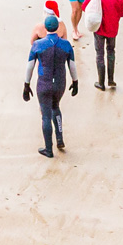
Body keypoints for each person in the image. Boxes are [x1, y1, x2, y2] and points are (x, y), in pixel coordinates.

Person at [24, 14, 78, 157]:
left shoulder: (38, 45)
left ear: (45, 27)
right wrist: (75, 81)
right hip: (60, 83)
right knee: (56, 107)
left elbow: (30, 66)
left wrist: (26, 84)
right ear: (57, 27)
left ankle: (48, 149)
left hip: (44, 83)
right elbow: (72, 65)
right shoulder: (66, 45)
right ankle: (59, 138)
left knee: (46, 115)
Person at [91, 0, 123, 89]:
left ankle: (100, 83)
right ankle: (111, 80)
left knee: (99, 54)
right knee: (111, 52)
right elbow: (122, 13)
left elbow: (85, 6)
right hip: (112, 29)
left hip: (99, 28)